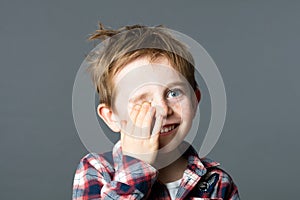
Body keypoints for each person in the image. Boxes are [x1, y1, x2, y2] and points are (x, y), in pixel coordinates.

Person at [72, 23, 240, 200]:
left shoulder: (217, 182)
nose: (163, 110)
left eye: (173, 93)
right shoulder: (96, 170)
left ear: (194, 100)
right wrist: (137, 165)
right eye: (143, 100)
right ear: (111, 117)